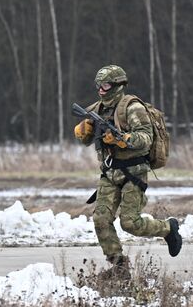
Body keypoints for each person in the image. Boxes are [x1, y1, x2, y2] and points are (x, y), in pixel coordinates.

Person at [74, 64, 182, 279]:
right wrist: (84, 131)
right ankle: (119, 266)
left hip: (134, 173)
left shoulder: (132, 108)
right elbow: (85, 139)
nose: (100, 89)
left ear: (117, 85)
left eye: (104, 85)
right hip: (109, 173)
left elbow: (145, 138)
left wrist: (122, 139)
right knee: (101, 219)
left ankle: (168, 229)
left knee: (130, 223)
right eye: (98, 85)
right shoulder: (96, 109)